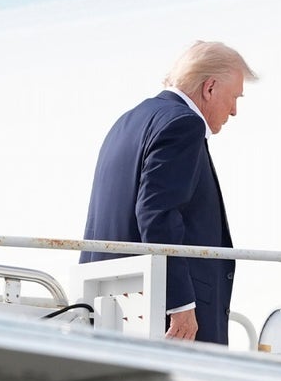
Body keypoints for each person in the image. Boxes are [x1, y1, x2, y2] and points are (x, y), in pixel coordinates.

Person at [81, 41, 257, 344]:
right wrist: (180, 305)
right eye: (234, 97)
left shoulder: (126, 122)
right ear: (210, 87)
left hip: (112, 306)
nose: (234, 110)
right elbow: (156, 212)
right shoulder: (183, 124)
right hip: (166, 319)